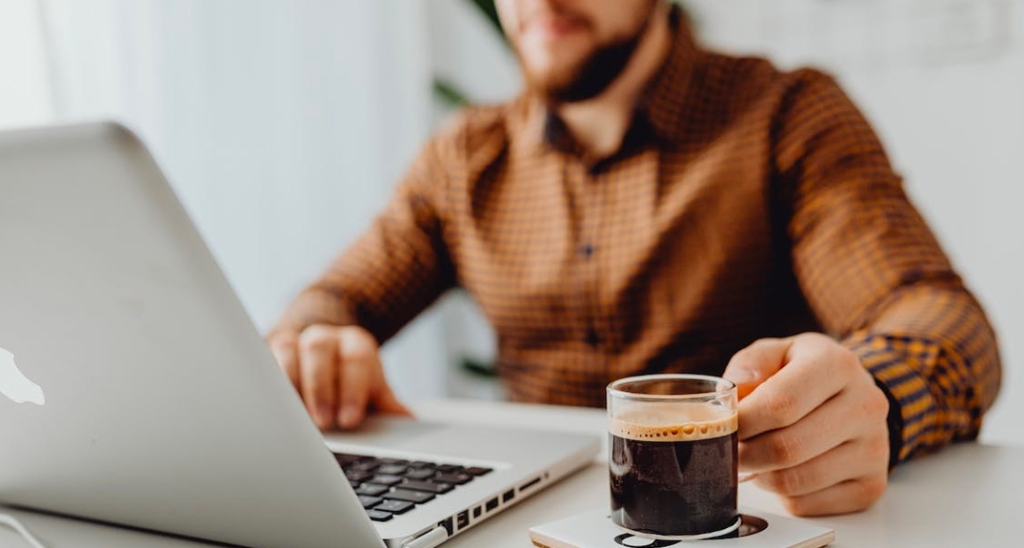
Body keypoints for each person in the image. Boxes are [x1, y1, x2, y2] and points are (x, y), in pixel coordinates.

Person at [266, 0, 1001, 516]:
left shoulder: (785, 117)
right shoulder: (462, 158)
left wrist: (873, 397)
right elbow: (335, 299)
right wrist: (316, 339)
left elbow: (939, 319)